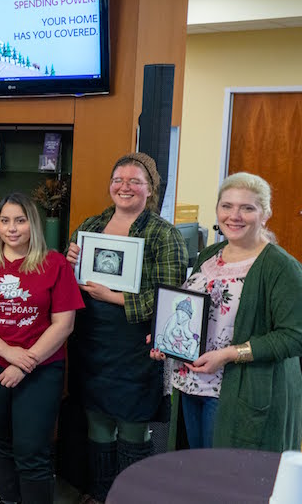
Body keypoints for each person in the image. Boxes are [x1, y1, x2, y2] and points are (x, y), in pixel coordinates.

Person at [64, 152, 188, 503]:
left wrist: (115, 297)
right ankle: (101, 493)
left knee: (133, 427)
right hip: (90, 341)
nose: (125, 187)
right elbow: (67, 282)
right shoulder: (89, 226)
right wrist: (69, 259)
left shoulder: (164, 234)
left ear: (150, 189)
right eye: (119, 180)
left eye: (135, 181)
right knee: (97, 422)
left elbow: (171, 297)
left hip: (135, 345)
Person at [151, 172, 302, 451]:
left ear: (265, 213)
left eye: (247, 208)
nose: (235, 215)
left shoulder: (281, 267)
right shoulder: (211, 255)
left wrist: (229, 354)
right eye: (227, 206)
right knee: (195, 472)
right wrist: (165, 339)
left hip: (237, 392)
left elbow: (294, 337)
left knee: (226, 483)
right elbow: (194, 312)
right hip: (191, 384)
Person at [0, 193, 83, 504]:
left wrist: (24, 362)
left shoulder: (55, 264)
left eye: (20, 220)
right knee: (0, 442)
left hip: (41, 370)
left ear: (33, 224)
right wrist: (7, 353)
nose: (12, 228)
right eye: (5, 220)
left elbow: (64, 325)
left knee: (31, 450)